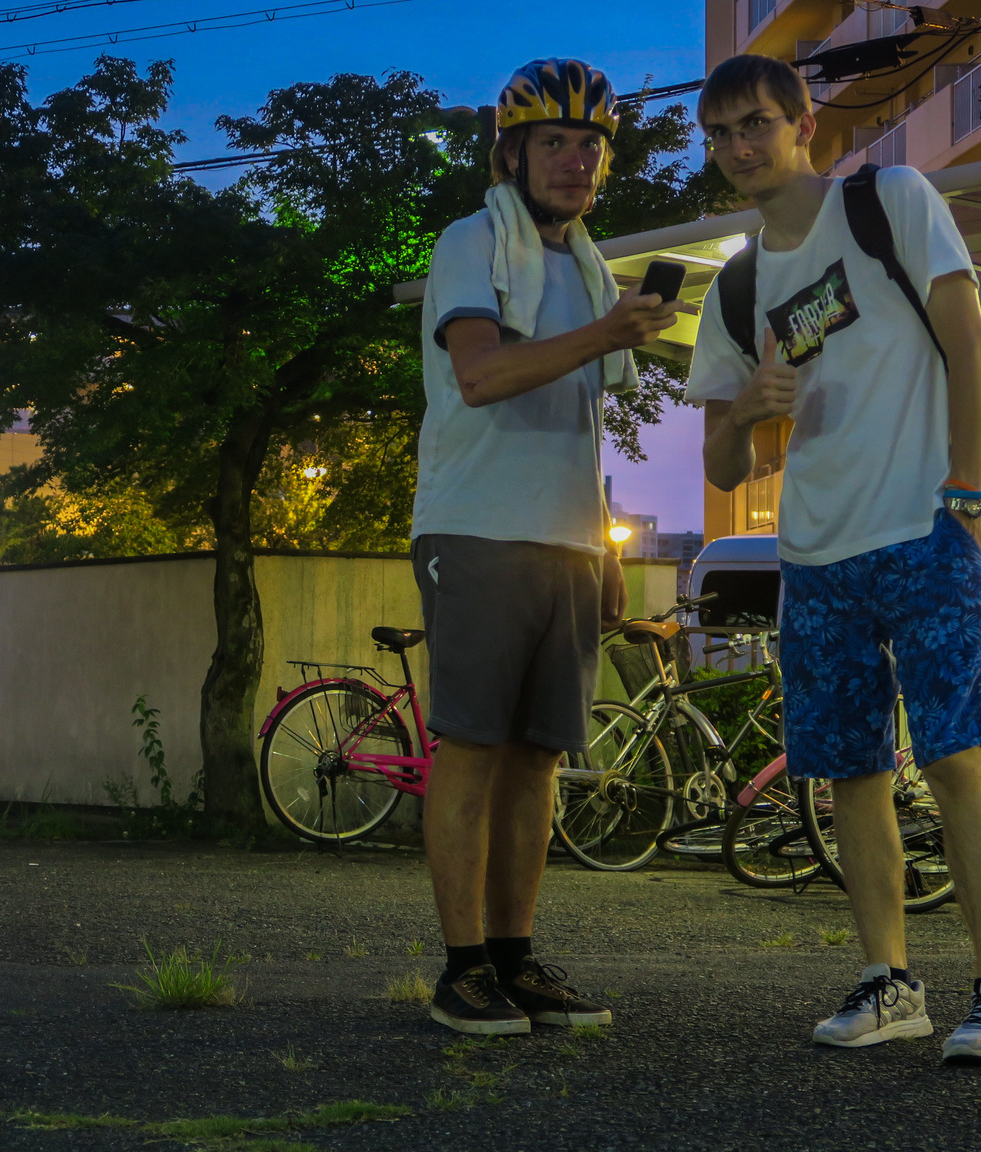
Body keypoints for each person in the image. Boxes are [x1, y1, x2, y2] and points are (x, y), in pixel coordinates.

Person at [685, 54, 981, 1064]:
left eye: (754, 125)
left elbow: (965, 339)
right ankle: (888, 982)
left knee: (952, 751)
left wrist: (964, 490)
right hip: (813, 555)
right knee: (847, 769)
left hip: (924, 524)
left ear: (803, 122)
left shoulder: (886, 200)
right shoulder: (740, 282)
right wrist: (749, 408)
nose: (738, 149)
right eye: (718, 135)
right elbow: (722, 461)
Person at [413, 58, 689, 1036]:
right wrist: (609, 329)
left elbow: (579, 411)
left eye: (590, 144)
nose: (575, 161)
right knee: (474, 747)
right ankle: (457, 970)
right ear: (511, 154)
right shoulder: (468, 242)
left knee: (537, 757)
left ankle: (514, 959)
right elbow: (481, 374)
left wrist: (605, 543)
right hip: (475, 526)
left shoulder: (585, 265)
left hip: (566, 539)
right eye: (553, 143)